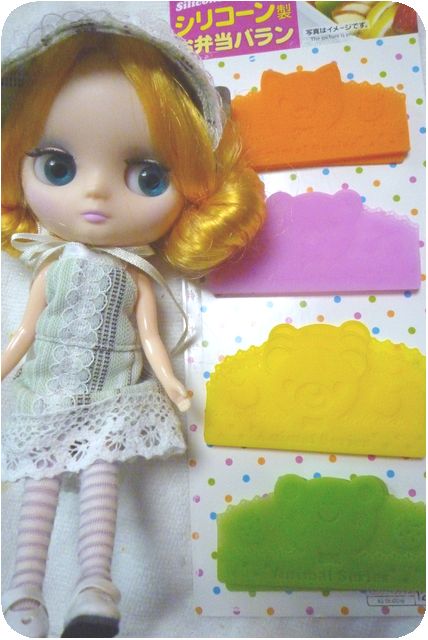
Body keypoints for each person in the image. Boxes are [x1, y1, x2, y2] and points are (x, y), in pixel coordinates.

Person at [1, 13, 265, 638]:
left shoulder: (133, 272)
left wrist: (171, 384)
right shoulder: (51, 266)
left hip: (113, 395)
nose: (95, 195)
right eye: (58, 166)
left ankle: (96, 586)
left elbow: (150, 335)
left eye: (148, 177)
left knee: (102, 481)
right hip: (46, 391)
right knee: (39, 486)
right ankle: (25, 590)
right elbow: (25, 331)